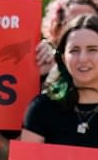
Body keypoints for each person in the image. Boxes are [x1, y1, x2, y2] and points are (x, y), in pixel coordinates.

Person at [22, 13, 98, 147]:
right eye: (74, 50)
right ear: (63, 58)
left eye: (92, 49)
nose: (82, 59)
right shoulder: (42, 108)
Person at [36, 0, 98, 78]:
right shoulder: (43, 61)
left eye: (90, 22)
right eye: (73, 24)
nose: (83, 29)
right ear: (56, 29)